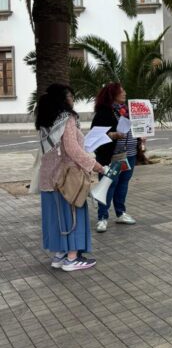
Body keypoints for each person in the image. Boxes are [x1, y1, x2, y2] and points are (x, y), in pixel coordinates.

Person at [36, 84, 104, 271]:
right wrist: (94, 165)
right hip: (67, 178)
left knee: (55, 217)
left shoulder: (45, 118)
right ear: (64, 99)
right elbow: (72, 149)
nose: (72, 100)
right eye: (71, 97)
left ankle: (59, 255)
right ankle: (72, 259)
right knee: (73, 214)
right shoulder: (67, 118)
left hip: (48, 178)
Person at [91, 83, 138, 231]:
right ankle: (102, 217)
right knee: (108, 184)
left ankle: (120, 213)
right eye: (121, 91)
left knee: (123, 183)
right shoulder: (104, 112)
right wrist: (113, 135)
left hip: (130, 154)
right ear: (113, 94)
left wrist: (141, 135)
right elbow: (96, 135)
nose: (124, 93)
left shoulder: (127, 111)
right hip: (112, 156)